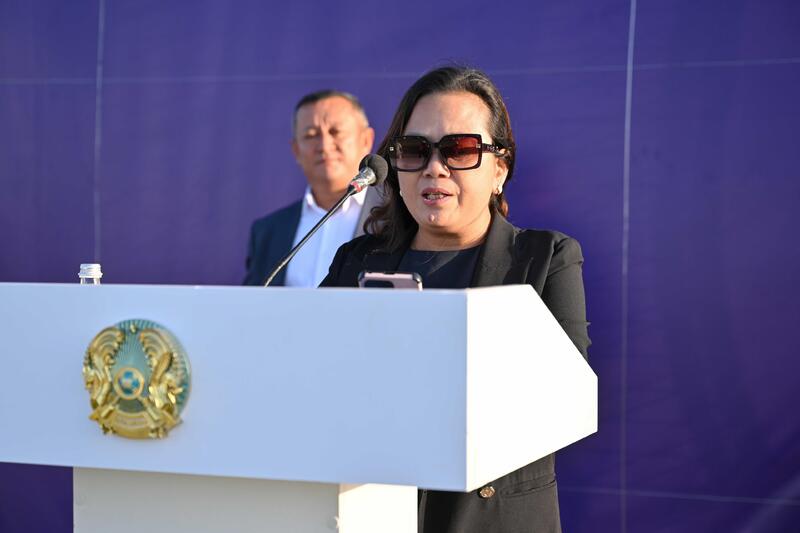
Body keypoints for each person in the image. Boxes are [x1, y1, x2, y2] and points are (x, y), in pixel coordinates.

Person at [321, 66, 590, 532]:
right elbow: (314, 377)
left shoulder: (546, 259)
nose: (434, 167)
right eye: (414, 150)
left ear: (500, 169)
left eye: (460, 149)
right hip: (374, 509)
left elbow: (563, 400)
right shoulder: (357, 261)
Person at [243, 90, 381, 286]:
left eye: (336, 132)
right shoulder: (268, 232)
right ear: (296, 150)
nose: (324, 145)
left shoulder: (395, 218)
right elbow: (252, 301)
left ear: (366, 140)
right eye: (311, 135)